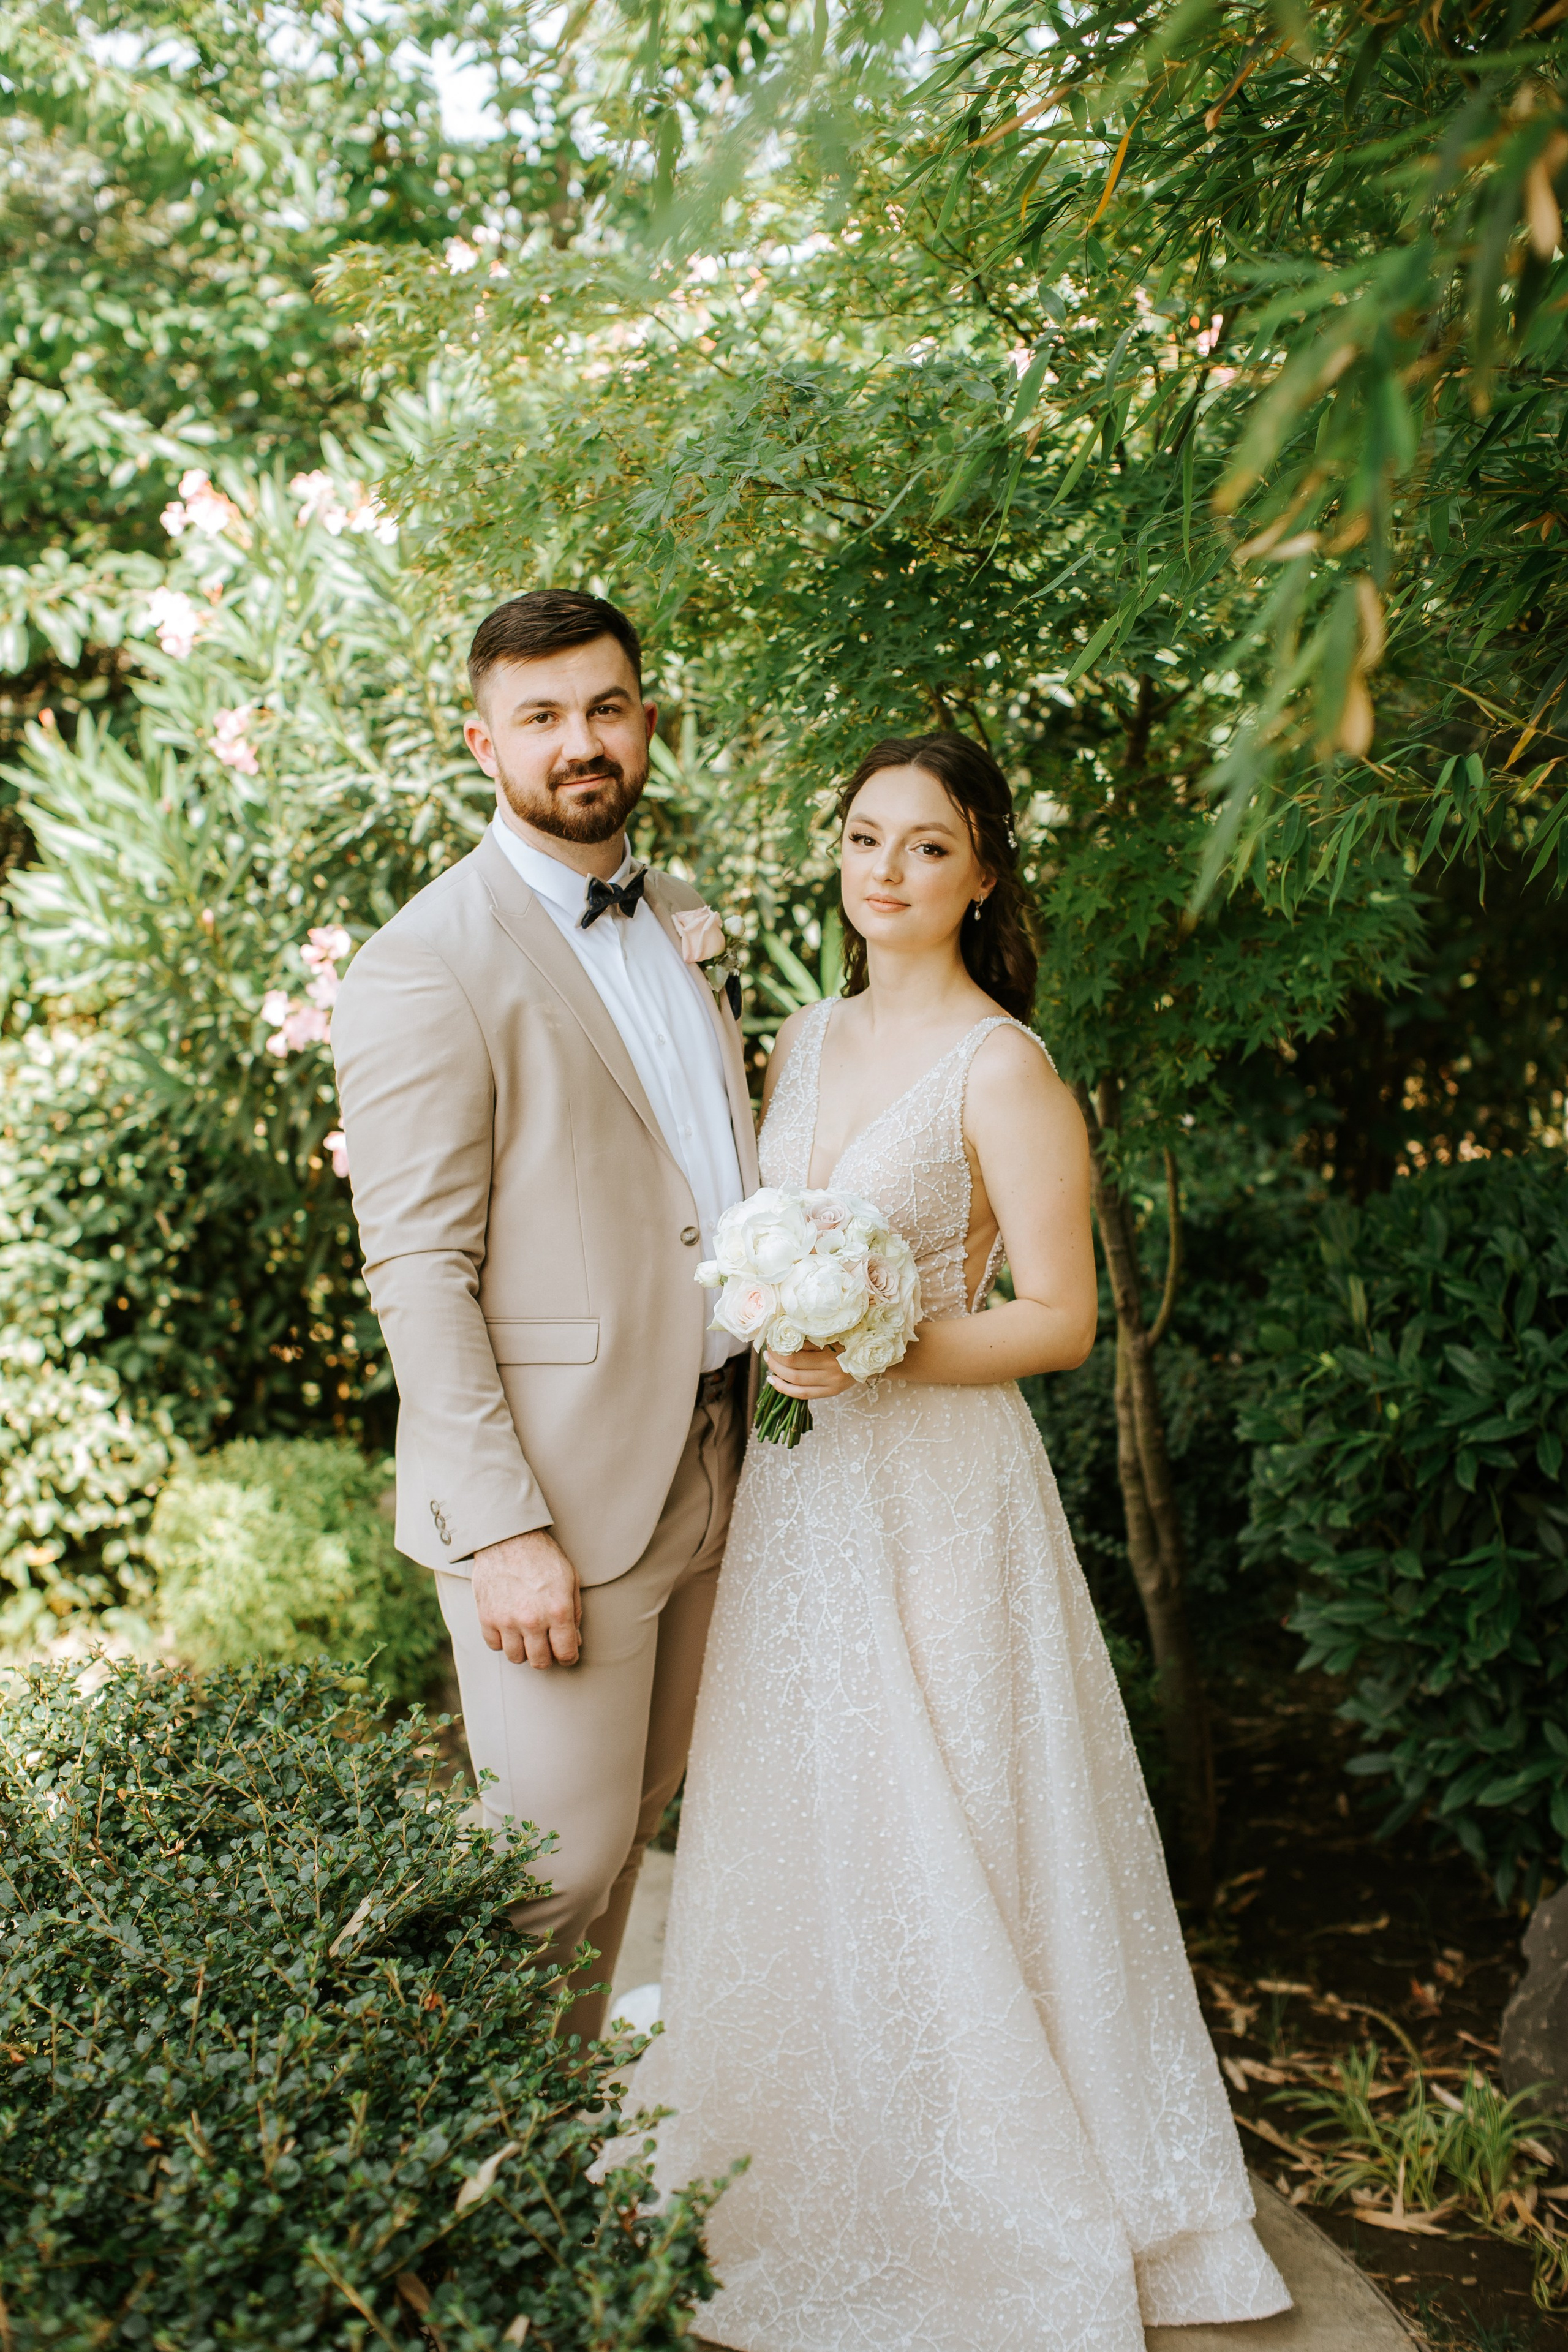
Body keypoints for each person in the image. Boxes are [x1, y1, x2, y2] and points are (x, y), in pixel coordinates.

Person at [631, 733, 1291, 2350]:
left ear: (983, 873)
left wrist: (876, 1342)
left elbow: (1059, 1319)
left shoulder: (1006, 1065)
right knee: (820, 1804)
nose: (889, 871)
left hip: (937, 1479)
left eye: (929, 847)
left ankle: (1000, 2177)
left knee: (967, 1799)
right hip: (809, 1487)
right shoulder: (799, 1035)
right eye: (867, 837)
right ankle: (809, 2148)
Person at [331, 589, 758, 2043]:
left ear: (645, 718)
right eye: (542, 717)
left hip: (714, 1456)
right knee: (542, 1867)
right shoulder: (424, 963)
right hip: (557, 1495)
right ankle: (399, 2172)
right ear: (481, 741)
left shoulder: (675, 913)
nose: (581, 743)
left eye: (606, 707)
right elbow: (416, 1271)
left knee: (627, 1831)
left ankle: (550, 2197)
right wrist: (504, 1526)